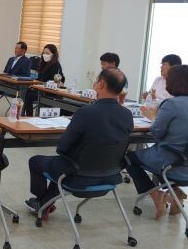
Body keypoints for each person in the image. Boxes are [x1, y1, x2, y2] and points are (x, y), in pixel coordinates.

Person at [25, 69, 133, 214]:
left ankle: (42, 202)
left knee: (36, 161)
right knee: (63, 164)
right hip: (110, 176)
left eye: (96, 80)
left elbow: (62, 147)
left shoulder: (85, 112)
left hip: (79, 177)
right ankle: (45, 203)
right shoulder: (127, 115)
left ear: (101, 84)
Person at [126, 65, 188, 217]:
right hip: (183, 162)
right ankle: (175, 192)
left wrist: (153, 118)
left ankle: (157, 196)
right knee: (160, 161)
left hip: (171, 159)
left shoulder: (172, 104)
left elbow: (156, 132)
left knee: (129, 158)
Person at [0, 41, 31, 114]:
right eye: (15, 48)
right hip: (5, 83)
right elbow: (5, 72)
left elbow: (25, 76)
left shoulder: (26, 61)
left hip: (15, 87)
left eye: (17, 48)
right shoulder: (11, 59)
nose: (15, 50)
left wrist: (13, 77)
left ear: (24, 50)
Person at [22, 44, 64, 116]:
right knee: (26, 92)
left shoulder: (56, 65)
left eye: (47, 53)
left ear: (53, 54)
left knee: (28, 95)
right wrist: (33, 83)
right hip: (41, 89)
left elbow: (53, 81)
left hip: (48, 92)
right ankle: (28, 115)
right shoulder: (44, 63)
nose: (45, 55)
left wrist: (39, 85)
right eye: (44, 53)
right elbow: (40, 79)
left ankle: (29, 116)